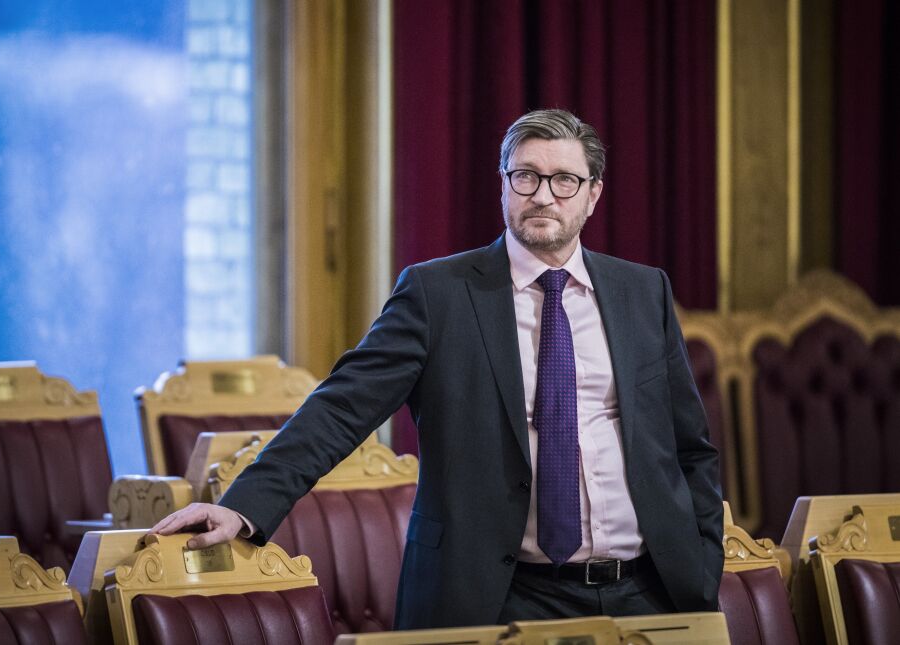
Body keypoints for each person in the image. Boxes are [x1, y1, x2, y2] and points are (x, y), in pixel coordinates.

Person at [151, 109, 723, 630]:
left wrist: (701, 560)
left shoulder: (642, 291)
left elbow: (687, 445)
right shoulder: (438, 294)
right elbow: (341, 407)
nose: (543, 196)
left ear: (593, 194)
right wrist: (243, 505)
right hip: (498, 595)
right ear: (503, 186)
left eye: (563, 180)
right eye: (525, 176)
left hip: (648, 593)